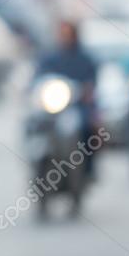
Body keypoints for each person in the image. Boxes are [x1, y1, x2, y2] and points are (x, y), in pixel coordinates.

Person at [33, 20, 101, 175]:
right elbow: (38, 79)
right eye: (62, 34)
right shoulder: (49, 57)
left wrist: (86, 91)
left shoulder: (85, 58)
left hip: (76, 105)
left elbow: (91, 83)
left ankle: (88, 170)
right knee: (33, 124)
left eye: (68, 34)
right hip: (52, 106)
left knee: (87, 128)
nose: (65, 37)